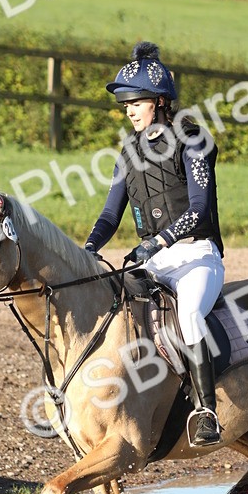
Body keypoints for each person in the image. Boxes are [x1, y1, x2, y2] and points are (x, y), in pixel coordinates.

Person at [85, 41, 225, 447]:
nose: (129, 110)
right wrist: (88, 249)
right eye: (126, 104)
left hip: (197, 255)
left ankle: (206, 411)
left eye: (137, 102)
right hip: (153, 260)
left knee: (192, 315)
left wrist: (157, 241)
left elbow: (199, 209)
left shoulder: (194, 141)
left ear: (161, 102)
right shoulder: (127, 154)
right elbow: (110, 216)